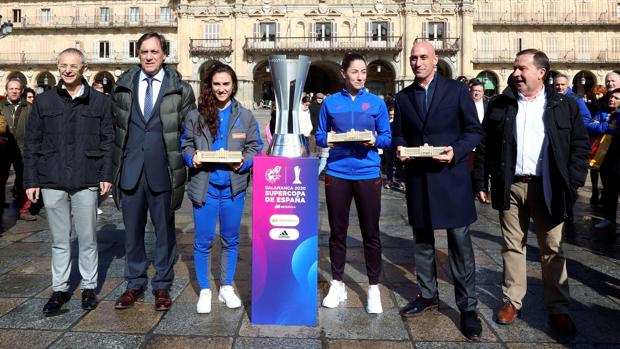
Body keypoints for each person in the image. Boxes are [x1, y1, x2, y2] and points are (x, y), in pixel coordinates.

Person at [473, 49, 590, 336]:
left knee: (552, 248)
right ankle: (512, 301)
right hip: (510, 185)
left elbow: (580, 146)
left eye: (522, 68)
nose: (516, 73)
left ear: (541, 72)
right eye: (515, 68)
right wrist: (480, 182)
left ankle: (558, 308)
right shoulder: (501, 104)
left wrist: (572, 182)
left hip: (548, 186)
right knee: (512, 246)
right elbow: (486, 146)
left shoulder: (564, 105)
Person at [392, 41, 484, 340]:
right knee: (422, 241)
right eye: (413, 58)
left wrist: (455, 152)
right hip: (419, 179)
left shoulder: (456, 91)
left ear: (435, 59)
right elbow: (399, 134)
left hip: (451, 177)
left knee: (459, 243)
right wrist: (400, 149)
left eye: (423, 57)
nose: (417, 63)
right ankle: (428, 294)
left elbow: (474, 131)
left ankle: (468, 307)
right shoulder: (404, 97)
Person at [22, 48, 114, 314]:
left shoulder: (99, 102)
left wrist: (106, 174)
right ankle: (59, 289)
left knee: (87, 239)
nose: (68, 70)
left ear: (84, 67)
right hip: (52, 179)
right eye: (63, 65)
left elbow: (109, 141)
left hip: (86, 178)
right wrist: (30, 180)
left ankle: (88, 287)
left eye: (73, 65)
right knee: (59, 240)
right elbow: (32, 144)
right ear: (57, 67)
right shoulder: (44, 101)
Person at [111, 32, 196, 311]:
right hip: (131, 171)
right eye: (144, 52)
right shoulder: (123, 85)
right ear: (138, 55)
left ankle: (162, 285)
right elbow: (115, 128)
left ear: (164, 55)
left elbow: (190, 131)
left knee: (164, 232)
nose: (149, 57)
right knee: (132, 232)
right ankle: (134, 283)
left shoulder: (180, 89)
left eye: (154, 52)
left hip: (163, 170)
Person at [181, 63, 262, 314]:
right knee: (203, 240)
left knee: (230, 239)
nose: (221, 89)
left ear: (234, 85)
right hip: (205, 186)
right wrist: (191, 157)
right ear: (209, 86)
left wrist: (245, 162)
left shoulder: (245, 116)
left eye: (226, 84)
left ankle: (226, 286)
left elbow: (255, 147)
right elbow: (184, 145)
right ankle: (205, 290)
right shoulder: (196, 115)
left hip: (232, 188)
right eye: (216, 84)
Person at [316, 52, 391, 314]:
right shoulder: (330, 103)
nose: (359, 76)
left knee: (371, 233)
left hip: (368, 173)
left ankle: (373, 288)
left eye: (363, 72)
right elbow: (319, 136)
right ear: (343, 74)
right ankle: (338, 284)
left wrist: (374, 141)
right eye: (355, 72)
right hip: (337, 172)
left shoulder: (377, 103)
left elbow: (387, 138)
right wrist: (331, 139)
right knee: (338, 232)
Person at [585, 88, 620, 230]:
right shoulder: (602, 111)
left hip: (618, 156)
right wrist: (606, 126)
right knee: (608, 188)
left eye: (617, 98)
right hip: (604, 156)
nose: (612, 100)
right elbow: (590, 127)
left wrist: (601, 125)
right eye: (611, 97)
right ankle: (609, 218)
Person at [0, 78, 35, 221]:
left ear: (21, 91)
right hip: (3, 149)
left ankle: (24, 209)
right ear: (6, 90)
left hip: (23, 149)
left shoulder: (29, 107)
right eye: (11, 88)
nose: (14, 91)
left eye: (17, 89)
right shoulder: (0, 106)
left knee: (24, 179)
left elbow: (35, 128)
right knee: (1, 178)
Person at [586, 84, 607, 205]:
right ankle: (594, 190)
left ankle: (604, 191)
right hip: (593, 139)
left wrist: (598, 124)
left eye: (599, 94)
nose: (596, 96)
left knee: (603, 166)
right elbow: (589, 124)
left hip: (604, 140)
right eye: (594, 94)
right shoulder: (590, 106)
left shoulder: (605, 106)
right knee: (593, 166)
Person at [382, 101, 404, 190]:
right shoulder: (387, 122)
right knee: (389, 164)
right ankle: (389, 180)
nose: (391, 116)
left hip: (397, 146)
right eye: (390, 115)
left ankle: (401, 180)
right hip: (388, 147)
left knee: (399, 164)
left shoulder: (399, 122)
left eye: (393, 115)